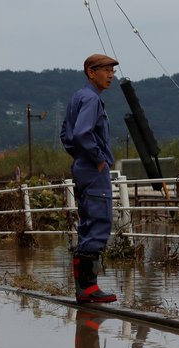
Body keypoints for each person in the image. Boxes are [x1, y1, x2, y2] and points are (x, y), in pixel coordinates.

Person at [61, 54, 119, 303]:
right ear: (90, 72)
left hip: (82, 167)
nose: (110, 75)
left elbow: (66, 135)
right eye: (105, 70)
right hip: (93, 170)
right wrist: (98, 159)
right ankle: (89, 288)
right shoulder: (92, 99)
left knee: (87, 224)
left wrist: (80, 158)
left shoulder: (78, 97)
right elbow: (82, 134)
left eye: (112, 71)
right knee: (98, 221)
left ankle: (83, 289)